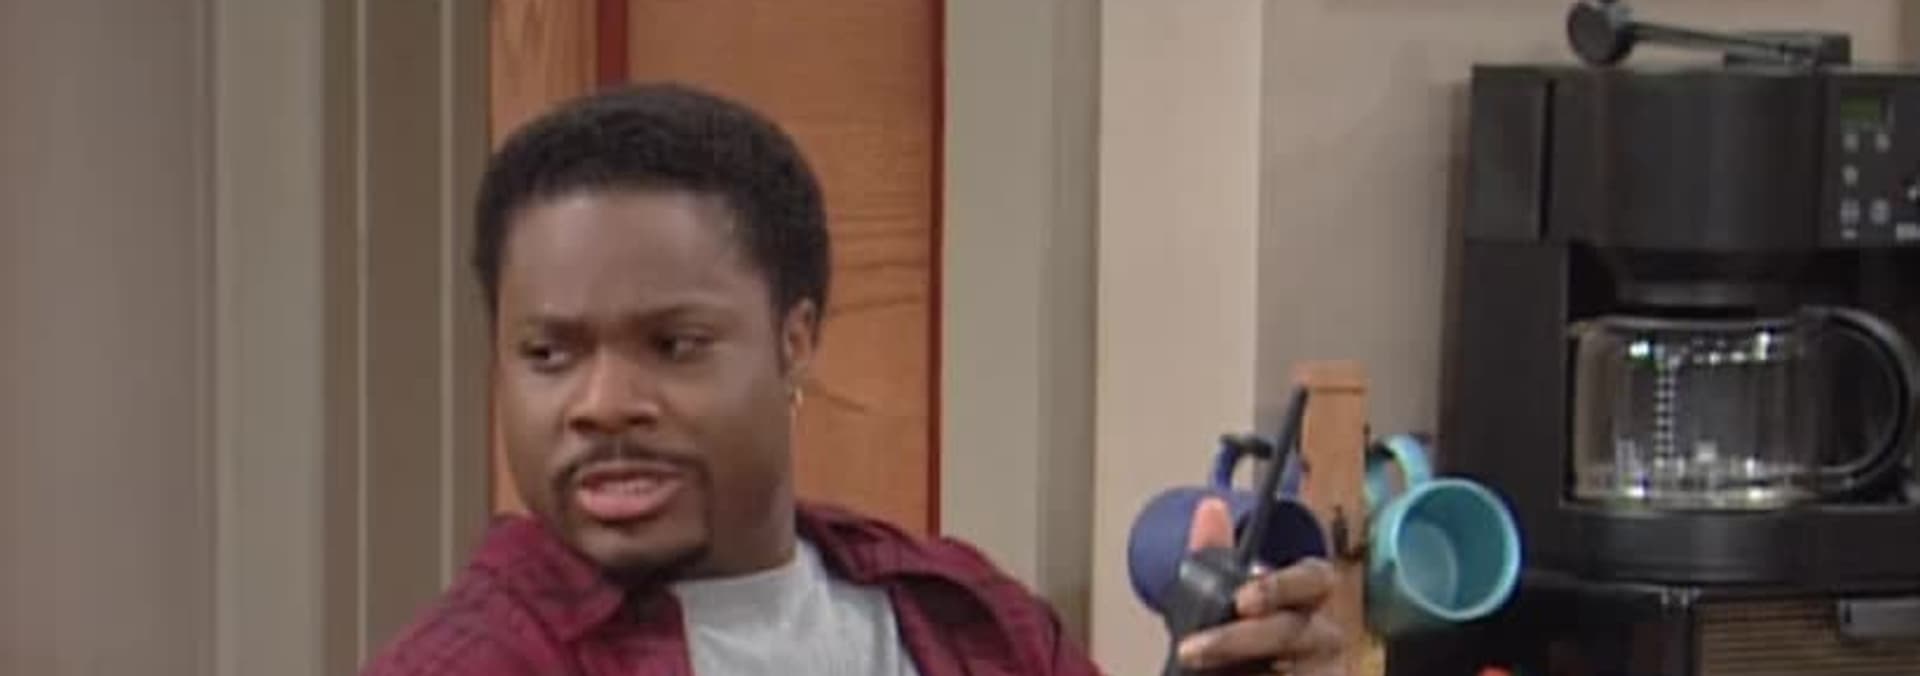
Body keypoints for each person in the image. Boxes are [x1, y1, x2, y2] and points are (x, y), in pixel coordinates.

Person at [363, 83, 1344, 676]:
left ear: (795, 340)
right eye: (550, 354)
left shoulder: (964, 613)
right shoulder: (474, 663)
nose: (602, 404)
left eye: (674, 344)